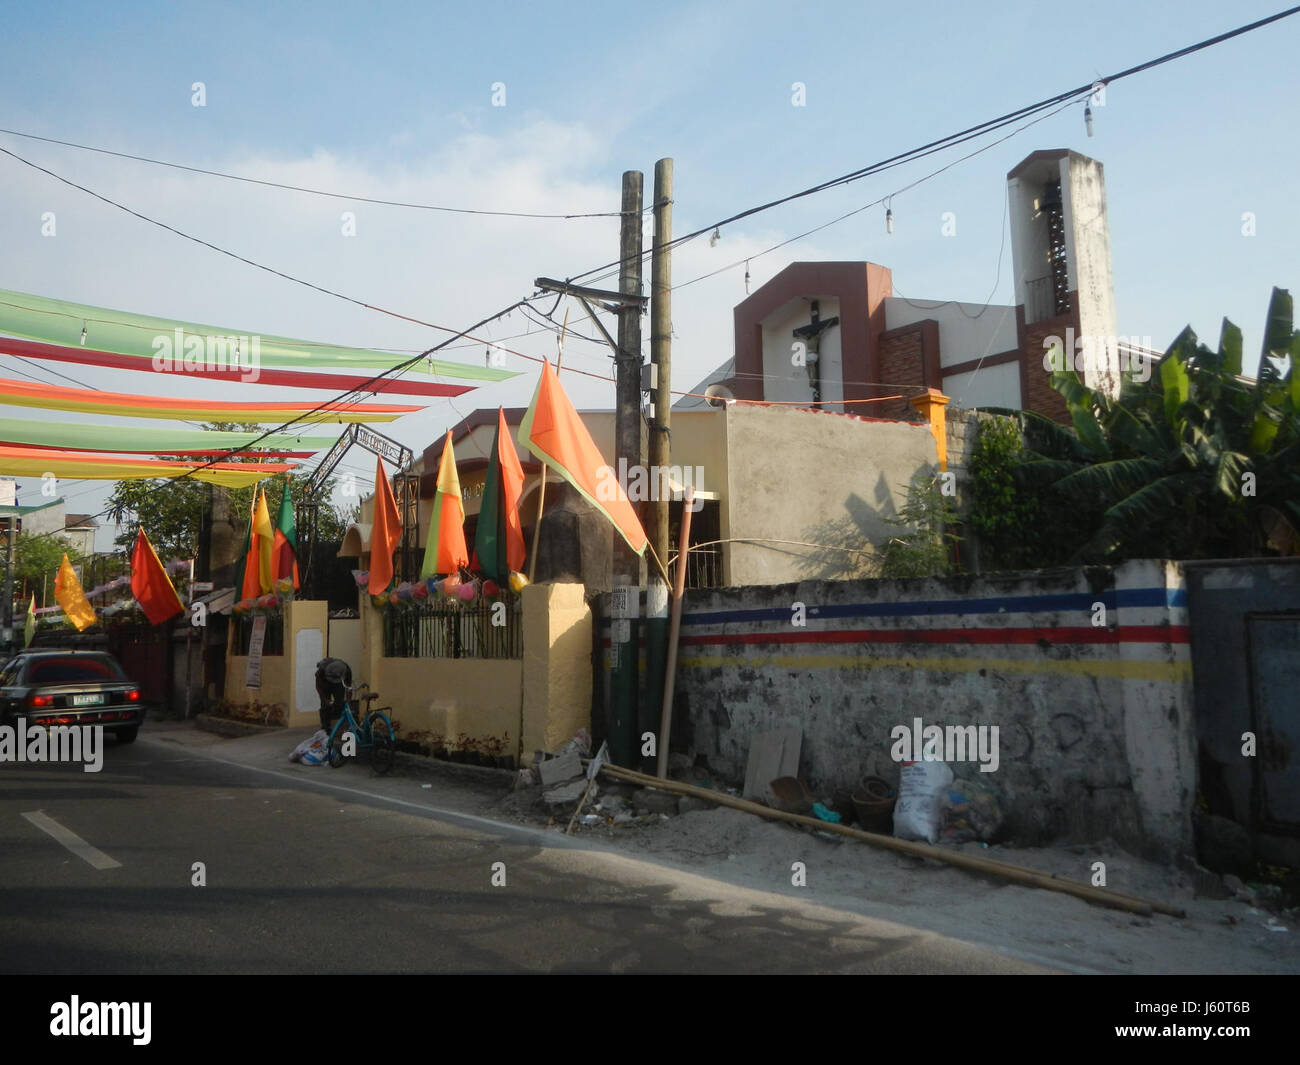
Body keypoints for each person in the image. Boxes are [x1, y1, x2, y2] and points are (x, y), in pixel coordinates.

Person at [314, 657, 352, 732]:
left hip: (339, 683)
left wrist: (348, 701)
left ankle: (337, 726)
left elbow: (349, 687)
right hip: (325, 683)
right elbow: (318, 687)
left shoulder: (347, 670)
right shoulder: (321, 671)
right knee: (325, 706)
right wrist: (325, 699)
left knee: (339, 703)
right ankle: (325, 728)